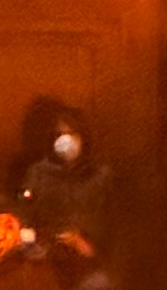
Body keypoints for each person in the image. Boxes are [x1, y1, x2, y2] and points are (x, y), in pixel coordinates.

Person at [15, 108, 115, 255]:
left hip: (89, 255)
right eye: (60, 134)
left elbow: (112, 225)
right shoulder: (38, 174)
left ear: (83, 137)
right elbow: (26, 215)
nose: (66, 140)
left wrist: (85, 243)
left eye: (72, 133)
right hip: (46, 254)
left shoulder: (100, 176)